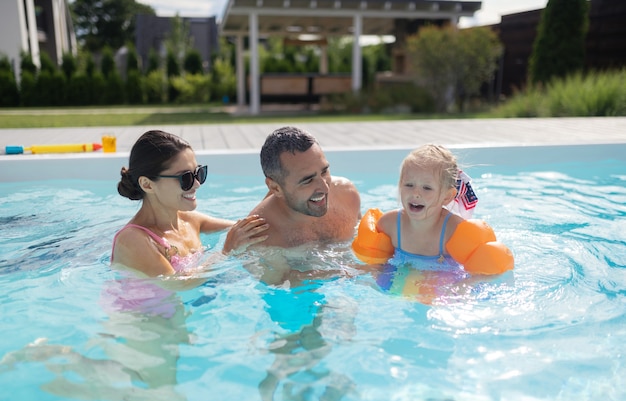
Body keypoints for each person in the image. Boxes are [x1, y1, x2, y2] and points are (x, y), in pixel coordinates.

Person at [111, 130, 268, 277]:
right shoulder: (133, 240)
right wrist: (226, 251)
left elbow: (246, 229)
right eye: (185, 178)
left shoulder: (190, 221)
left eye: (198, 173)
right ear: (147, 185)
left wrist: (278, 190)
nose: (197, 184)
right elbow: (180, 286)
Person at [352, 143, 514, 276]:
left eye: (427, 188)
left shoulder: (453, 230)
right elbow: (377, 265)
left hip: (443, 282)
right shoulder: (390, 225)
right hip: (402, 281)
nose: (415, 193)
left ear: (447, 196)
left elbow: (479, 274)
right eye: (409, 185)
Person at [244, 126, 361, 284]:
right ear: (275, 188)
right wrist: (346, 272)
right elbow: (279, 285)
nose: (325, 188)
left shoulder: (347, 195)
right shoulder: (262, 235)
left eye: (324, 171)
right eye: (308, 180)